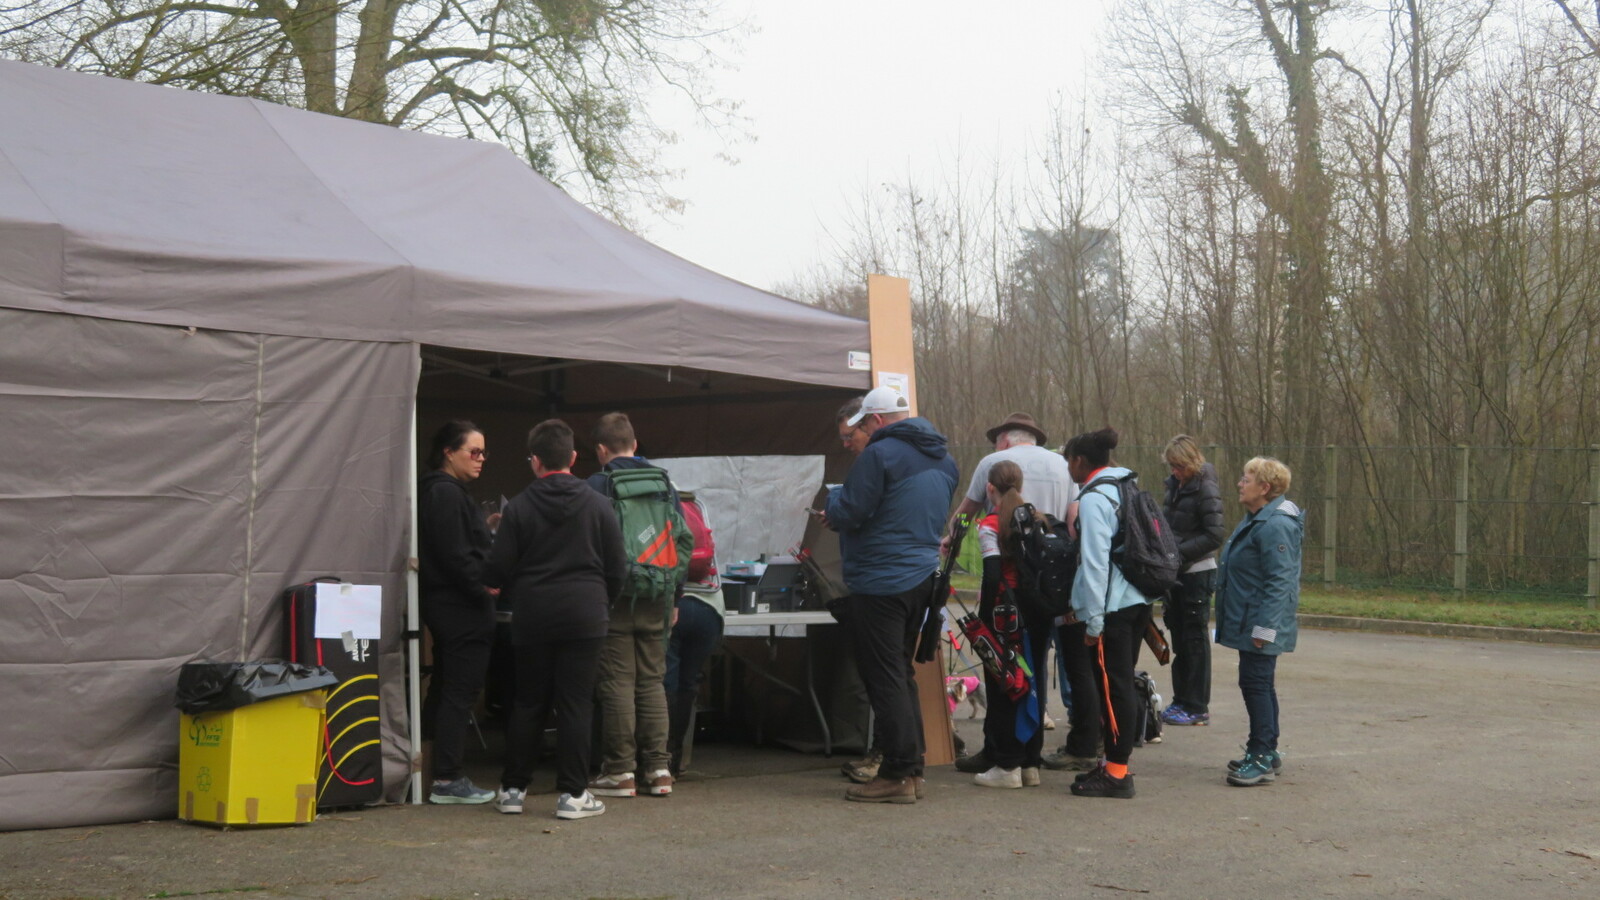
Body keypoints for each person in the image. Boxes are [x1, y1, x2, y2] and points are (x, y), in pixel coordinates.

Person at [823, 386, 959, 804]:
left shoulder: (879, 455)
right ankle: (911, 770)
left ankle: (898, 773)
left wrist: (834, 502)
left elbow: (852, 512)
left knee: (884, 678)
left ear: (876, 420)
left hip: (880, 579)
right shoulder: (945, 459)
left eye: (863, 423)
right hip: (921, 578)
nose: (862, 432)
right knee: (900, 673)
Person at [487, 419, 625, 819]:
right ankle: (573, 795)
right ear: (573, 457)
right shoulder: (599, 505)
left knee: (528, 701)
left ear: (535, 461)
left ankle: (513, 790)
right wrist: (602, 602)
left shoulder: (518, 507)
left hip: (533, 615)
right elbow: (617, 567)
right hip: (586, 614)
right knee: (576, 704)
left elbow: (496, 570)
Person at [942, 412, 1078, 774]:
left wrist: (950, 540)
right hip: (1045, 593)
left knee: (1002, 673)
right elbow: (1073, 522)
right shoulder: (1063, 467)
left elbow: (966, 514)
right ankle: (1030, 755)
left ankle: (1001, 754)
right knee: (1032, 670)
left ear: (1004, 440)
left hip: (1006, 603)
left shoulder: (992, 465)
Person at [586, 412, 680, 799]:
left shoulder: (597, 485)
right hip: (658, 593)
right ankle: (659, 770)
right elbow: (682, 540)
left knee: (618, 682)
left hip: (616, 597)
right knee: (652, 682)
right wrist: (675, 596)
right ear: (635, 445)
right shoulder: (664, 483)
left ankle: (620, 772)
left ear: (600, 450)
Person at [1062, 427, 1153, 799]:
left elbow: (1096, 563)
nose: (1068, 468)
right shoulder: (1126, 486)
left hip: (1112, 607)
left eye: (1068, 461)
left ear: (1080, 461)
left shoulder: (1095, 498)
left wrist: (1094, 621)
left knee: (1114, 689)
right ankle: (1111, 764)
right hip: (1137, 599)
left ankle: (1117, 773)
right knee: (1120, 683)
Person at [417, 420, 497, 805]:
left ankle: (429, 764)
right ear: (449, 452)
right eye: (474, 451)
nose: (481, 459)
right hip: (460, 608)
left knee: (447, 685)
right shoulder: (445, 493)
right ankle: (447, 777)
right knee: (459, 690)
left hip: (450, 604)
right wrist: (484, 585)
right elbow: (454, 554)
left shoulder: (440, 492)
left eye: (484, 452)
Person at [1215, 457, 1302, 786]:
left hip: (1260, 623)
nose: (1240, 484)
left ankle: (1262, 755)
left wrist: (1265, 630)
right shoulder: (1257, 519)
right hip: (1249, 619)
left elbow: (1280, 582)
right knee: (1258, 683)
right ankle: (1266, 749)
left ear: (1264, 488)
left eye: (1246, 479)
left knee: (1256, 684)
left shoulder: (1275, 525)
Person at [970, 461, 1051, 789]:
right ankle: (1030, 763)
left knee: (1004, 683)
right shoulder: (1037, 519)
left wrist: (983, 620)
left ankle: (1007, 765)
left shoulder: (990, 524)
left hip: (1006, 617)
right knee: (1031, 681)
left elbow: (992, 576)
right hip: (1037, 614)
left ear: (990, 488)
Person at [1158, 436, 1226, 727]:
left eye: (1179, 466)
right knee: (1180, 640)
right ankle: (1181, 700)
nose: (1175, 471)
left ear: (1191, 462)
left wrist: (1177, 553)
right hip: (1176, 572)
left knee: (1195, 640)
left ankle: (1197, 706)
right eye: (1172, 466)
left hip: (1197, 571)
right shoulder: (1175, 486)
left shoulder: (1205, 488)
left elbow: (1214, 535)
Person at [664, 493, 724, 777]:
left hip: (672, 609)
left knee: (665, 684)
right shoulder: (696, 507)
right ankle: (676, 760)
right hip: (709, 608)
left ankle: (658, 762)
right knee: (687, 684)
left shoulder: (655, 508)